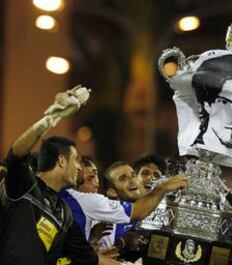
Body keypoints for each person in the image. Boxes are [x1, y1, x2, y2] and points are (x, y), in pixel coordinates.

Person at [0, 87, 116, 265]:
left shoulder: (65, 213)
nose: (79, 167)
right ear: (62, 161)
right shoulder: (26, 186)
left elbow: (90, 258)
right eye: (76, 160)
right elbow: (16, 154)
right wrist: (50, 119)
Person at [59, 160, 188, 241]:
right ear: (112, 192)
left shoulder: (163, 210)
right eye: (123, 179)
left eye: (133, 175)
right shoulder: (105, 224)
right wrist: (121, 244)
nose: (132, 181)